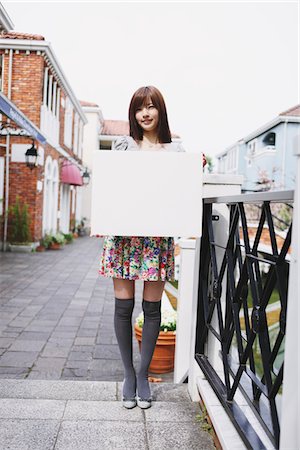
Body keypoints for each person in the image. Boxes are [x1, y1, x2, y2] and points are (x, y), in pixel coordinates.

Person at [99, 85, 205, 410]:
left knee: (152, 308)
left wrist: (195, 169)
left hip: (156, 239)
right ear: (134, 114)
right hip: (122, 237)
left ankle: (143, 374)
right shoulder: (122, 146)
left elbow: (181, 193)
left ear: (160, 110)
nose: (145, 113)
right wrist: (100, 218)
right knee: (122, 307)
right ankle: (128, 375)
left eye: (150, 107)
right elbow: (109, 186)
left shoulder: (176, 152)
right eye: (138, 108)